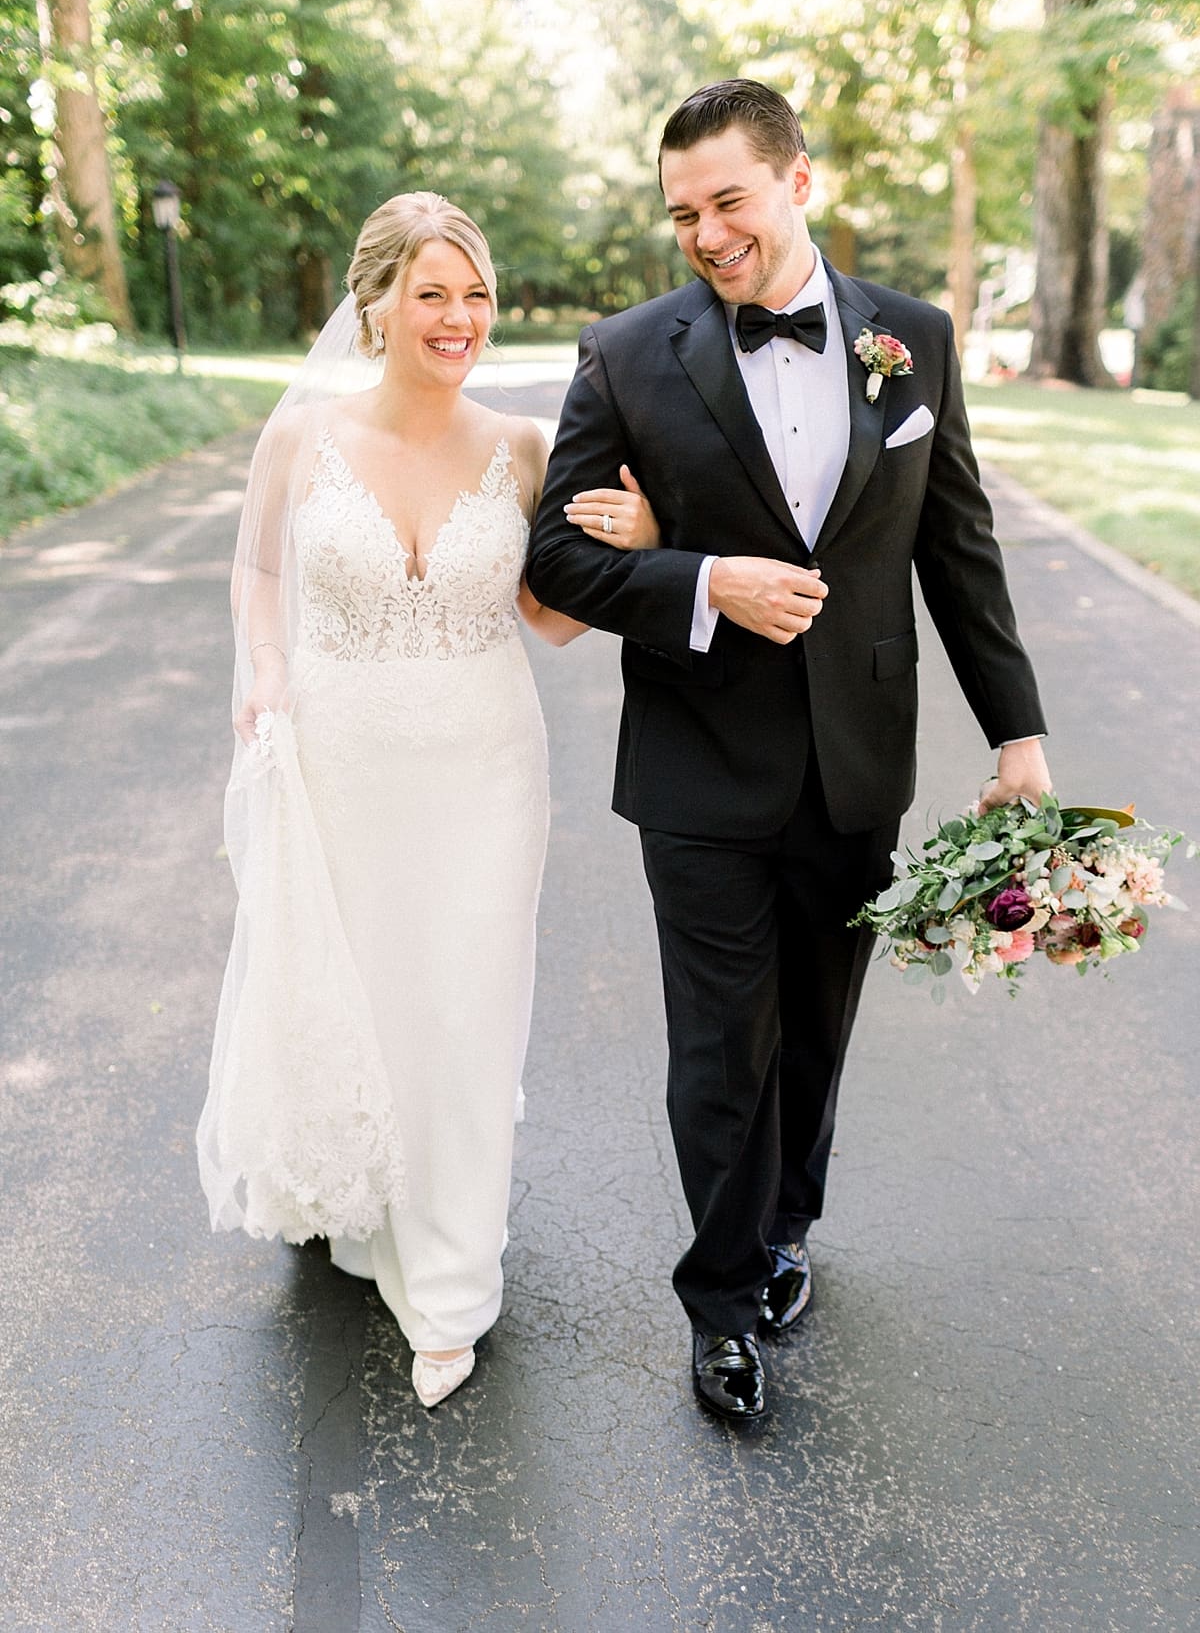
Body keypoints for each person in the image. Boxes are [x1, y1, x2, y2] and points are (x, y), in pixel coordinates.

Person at [527, 80, 1051, 1422]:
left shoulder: (916, 343)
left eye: (728, 201)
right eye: (682, 213)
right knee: (720, 1045)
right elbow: (555, 558)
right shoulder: (628, 354)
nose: (705, 233)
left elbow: (961, 553)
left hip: (856, 763)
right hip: (697, 766)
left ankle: (783, 1238)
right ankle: (717, 1306)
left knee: (818, 1030)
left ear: (797, 184)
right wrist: (702, 582)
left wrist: (1020, 736)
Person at [198, 192, 659, 1408]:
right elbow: (255, 567)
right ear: (378, 303)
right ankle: (364, 1201)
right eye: (433, 294)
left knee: (463, 1005)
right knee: (366, 989)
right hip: (344, 754)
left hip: (483, 763)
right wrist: (267, 666)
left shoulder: (520, 447)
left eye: (476, 295)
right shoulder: (302, 438)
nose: (460, 319)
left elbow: (554, 620)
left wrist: (643, 538)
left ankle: (451, 1284)